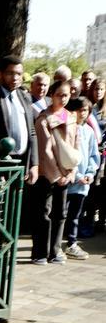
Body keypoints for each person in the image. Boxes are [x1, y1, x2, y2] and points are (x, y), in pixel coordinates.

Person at [31, 81, 78, 264]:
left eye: (66, 95)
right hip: (47, 173)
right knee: (44, 213)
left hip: (66, 173)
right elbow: (45, 150)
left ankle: (55, 251)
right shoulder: (44, 118)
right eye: (59, 95)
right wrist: (57, 174)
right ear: (52, 95)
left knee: (61, 213)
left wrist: (71, 171)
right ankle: (40, 252)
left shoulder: (71, 117)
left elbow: (75, 145)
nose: (63, 98)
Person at [63, 97, 100, 259]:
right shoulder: (66, 129)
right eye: (78, 110)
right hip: (68, 179)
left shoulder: (89, 131)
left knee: (75, 215)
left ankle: (71, 242)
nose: (81, 113)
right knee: (61, 213)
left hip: (83, 182)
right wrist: (76, 175)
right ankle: (56, 243)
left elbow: (93, 155)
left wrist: (89, 173)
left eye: (85, 110)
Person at [82, 77, 106, 234]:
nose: (98, 92)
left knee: (101, 190)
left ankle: (100, 222)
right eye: (96, 89)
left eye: (101, 89)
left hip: (104, 154)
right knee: (89, 189)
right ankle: (87, 222)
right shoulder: (89, 107)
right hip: (89, 151)